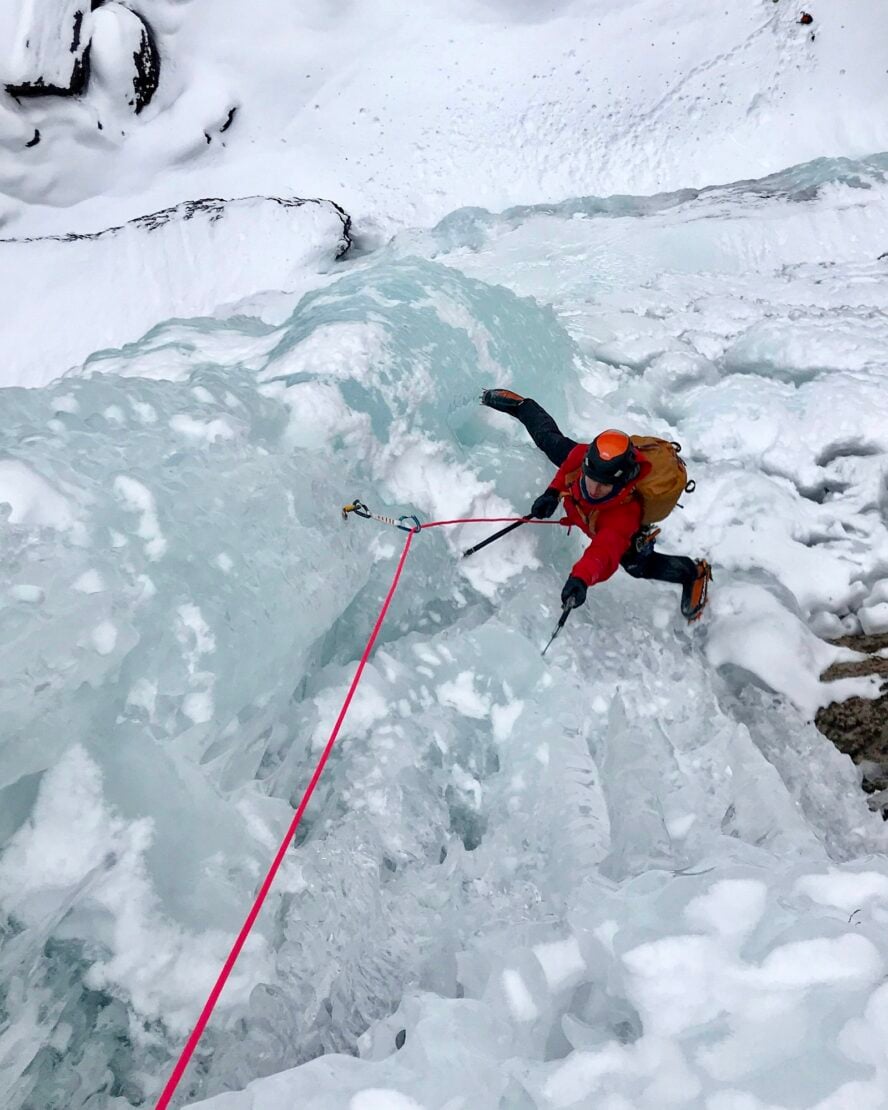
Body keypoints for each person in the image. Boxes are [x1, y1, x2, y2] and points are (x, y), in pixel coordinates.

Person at [480, 389, 712, 621]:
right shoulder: (584, 458)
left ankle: (692, 573)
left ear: (622, 481)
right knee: (550, 442)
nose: (594, 489)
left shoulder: (624, 515)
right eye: (591, 479)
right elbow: (565, 456)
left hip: (627, 535)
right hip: (586, 501)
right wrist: (552, 493)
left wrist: (580, 578)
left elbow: (604, 552)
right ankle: (520, 403)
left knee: (637, 566)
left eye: (604, 485)